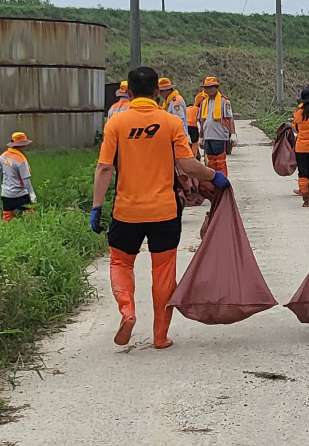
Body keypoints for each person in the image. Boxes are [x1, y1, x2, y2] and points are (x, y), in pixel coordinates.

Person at [91, 66, 229, 349]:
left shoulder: (115, 124)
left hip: (126, 211)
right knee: (163, 271)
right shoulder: (170, 122)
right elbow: (187, 164)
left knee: (120, 262)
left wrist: (96, 206)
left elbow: (105, 168)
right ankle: (160, 336)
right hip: (164, 211)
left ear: (128, 92)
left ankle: (127, 310)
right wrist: (214, 176)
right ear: (157, 92)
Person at [198, 76, 237, 175]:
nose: (209, 89)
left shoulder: (224, 101)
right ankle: (212, 184)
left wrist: (233, 134)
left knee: (219, 162)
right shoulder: (203, 102)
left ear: (216, 87)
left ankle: (222, 183)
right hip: (208, 136)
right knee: (209, 162)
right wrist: (201, 136)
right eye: (207, 87)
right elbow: (203, 120)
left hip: (219, 136)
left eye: (211, 87)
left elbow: (229, 118)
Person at [0, 131, 37, 222]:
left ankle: (4, 233)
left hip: (6, 194)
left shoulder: (2, 157)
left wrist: (2, 186)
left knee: (7, 217)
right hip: (20, 194)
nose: (25, 147)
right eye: (24, 145)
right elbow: (26, 179)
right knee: (30, 216)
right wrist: (31, 194)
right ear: (19, 146)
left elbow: (0, 173)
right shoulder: (20, 160)